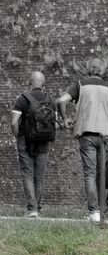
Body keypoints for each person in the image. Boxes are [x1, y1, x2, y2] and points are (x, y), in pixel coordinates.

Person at [56, 60, 108, 222]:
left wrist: (66, 119)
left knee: (89, 174)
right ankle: (102, 210)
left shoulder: (80, 85)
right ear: (102, 71)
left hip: (86, 135)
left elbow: (61, 100)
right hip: (105, 136)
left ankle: (94, 212)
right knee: (101, 175)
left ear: (88, 69)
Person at [11, 70, 61, 218]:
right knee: (39, 176)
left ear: (30, 82)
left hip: (25, 141)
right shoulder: (50, 100)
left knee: (27, 175)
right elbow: (55, 125)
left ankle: (31, 210)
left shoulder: (22, 99)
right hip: (44, 142)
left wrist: (18, 135)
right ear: (43, 84)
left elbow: (14, 123)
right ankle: (37, 208)